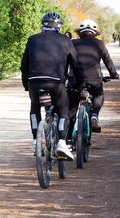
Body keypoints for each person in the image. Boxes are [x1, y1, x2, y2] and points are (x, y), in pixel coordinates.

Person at [21, 12, 84, 161]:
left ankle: (36, 140)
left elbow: (24, 64)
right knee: (63, 111)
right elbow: (76, 64)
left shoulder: (32, 39)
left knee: (35, 107)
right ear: (59, 26)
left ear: (43, 25)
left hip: (34, 80)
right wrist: (81, 83)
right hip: (56, 81)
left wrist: (26, 85)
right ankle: (62, 141)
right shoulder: (65, 40)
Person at [69, 19, 119, 134]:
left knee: (71, 109)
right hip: (94, 79)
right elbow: (108, 60)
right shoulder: (99, 43)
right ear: (95, 32)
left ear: (79, 32)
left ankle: (69, 141)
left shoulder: (72, 43)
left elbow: (64, 60)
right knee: (98, 94)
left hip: (75, 79)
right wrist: (113, 74)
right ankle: (94, 114)